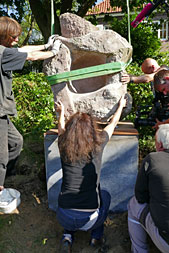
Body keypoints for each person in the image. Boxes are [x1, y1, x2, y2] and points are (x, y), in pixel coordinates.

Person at [55, 95, 126, 252]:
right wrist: (120, 106)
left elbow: (61, 128)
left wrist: (62, 112)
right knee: (105, 195)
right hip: (89, 219)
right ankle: (96, 237)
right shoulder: (98, 145)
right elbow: (113, 124)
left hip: (63, 215)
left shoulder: (63, 145)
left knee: (65, 192)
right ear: (91, 129)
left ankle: (67, 236)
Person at [0, 16, 61, 191]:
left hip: (3, 112)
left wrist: (46, 45)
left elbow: (23, 49)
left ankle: (5, 177)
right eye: (13, 37)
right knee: (1, 157)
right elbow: (31, 56)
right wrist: (53, 53)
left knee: (16, 142)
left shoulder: (5, 51)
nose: (17, 39)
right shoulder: (2, 53)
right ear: (3, 36)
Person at [128, 123, 169, 253]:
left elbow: (140, 196)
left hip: (166, 241)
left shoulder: (153, 159)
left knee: (134, 204)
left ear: (160, 145)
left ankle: (140, 250)